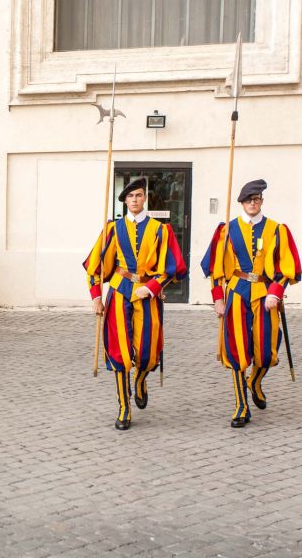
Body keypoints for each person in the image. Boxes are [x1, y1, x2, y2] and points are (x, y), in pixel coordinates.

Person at [83, 178, 188, 431]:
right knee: (120, 351)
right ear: (125, 201)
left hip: (147, 293)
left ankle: (140, 380)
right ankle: (124, 407)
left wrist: (152, 287)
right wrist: (96, 296)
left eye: (139, 195)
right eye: (130, 197)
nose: (135, 200)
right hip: (120, 290)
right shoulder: (113, 229)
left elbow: (173, 267)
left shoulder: (161, 230)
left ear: (145, 198)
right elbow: (95, 265)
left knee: (147, 351)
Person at [200, 179, 302, 428]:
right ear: (242, 203)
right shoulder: (227, 230)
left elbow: (287, 267)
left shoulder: (277, 230)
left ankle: (255, 381)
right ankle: (241, 405)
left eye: (256, 200)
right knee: (237, 350)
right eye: (248, 200)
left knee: (266, 353)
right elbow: (214, 268)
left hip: (265, 293)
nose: (252, 204)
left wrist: (276, 291)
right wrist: (217, 298)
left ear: (261, 202)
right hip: (236, 292)